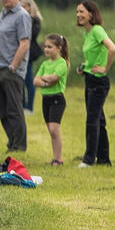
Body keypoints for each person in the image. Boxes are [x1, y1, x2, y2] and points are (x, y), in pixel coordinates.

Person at [0, 0, 31, 152]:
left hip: (9, 70)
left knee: (13, 110)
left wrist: (13, 66)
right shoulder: (4, 14)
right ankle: (12, 143)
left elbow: (24, 43)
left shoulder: (21, 15)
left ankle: (19, 146)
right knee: (3, 111)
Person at [75, 0, 115, 167]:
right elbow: (92, 57)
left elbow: (113, 49)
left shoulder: (97, 30)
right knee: (99, 120)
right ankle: (104, 160)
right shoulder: (87, 33)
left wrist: (105, 68)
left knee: (92, 120)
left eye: (82, 12)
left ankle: (88, 160)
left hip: (99, 83)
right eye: (77, 12)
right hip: (89, 79)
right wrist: (83, 67)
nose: (78, 15)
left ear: (91, 14)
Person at [33, 34, 69, 165]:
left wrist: (45, 78)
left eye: (50, 47)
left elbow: (54, 78)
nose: (46, 49)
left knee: (54, 130)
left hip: (57, 100)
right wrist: (45, 82)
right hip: (45, 99)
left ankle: (59, 159)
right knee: (51, 131)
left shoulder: (62, 63)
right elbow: (35, 80)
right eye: (45, 46)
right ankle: (55, 157)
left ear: (59, 48)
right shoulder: (44, 63)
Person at [20, 0, 43, 114]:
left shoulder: (34, 20)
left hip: (29, 53)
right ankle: (22, 105)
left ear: (29, 7)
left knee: (29, 80)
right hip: (21, 53)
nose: (21, 8)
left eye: (23, 5)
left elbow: (31, 35)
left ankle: (29, 107)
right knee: (21, 80)